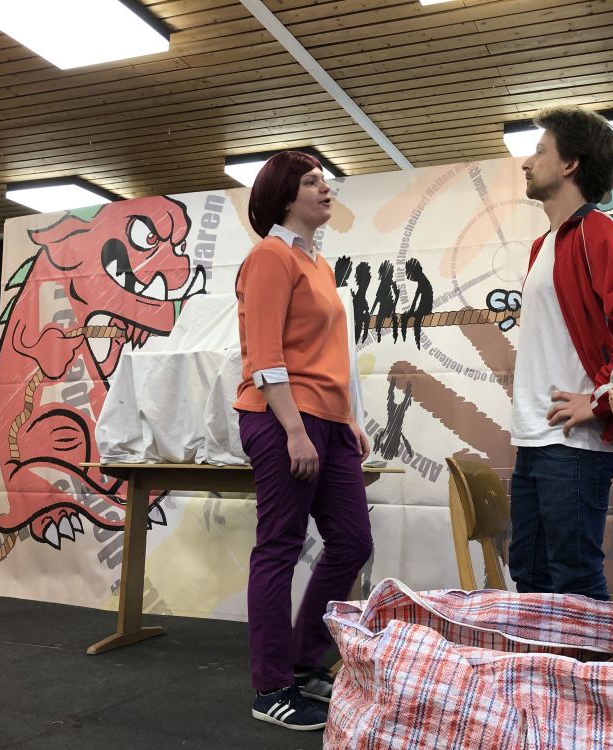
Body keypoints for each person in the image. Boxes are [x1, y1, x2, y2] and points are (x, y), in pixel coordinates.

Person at [509, 106, 613, 600]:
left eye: (540, 151)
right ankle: (542, 656)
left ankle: (589, 657)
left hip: (574, 444)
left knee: (574, 578)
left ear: (570, 164)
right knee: (530, 574)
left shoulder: (598, 231)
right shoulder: (543, 246)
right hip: (535, 437)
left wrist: (601, 399)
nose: (527, 163)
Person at [234, 150, 374, 731]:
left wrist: (349, 418)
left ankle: (303, 660)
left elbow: (331, 355)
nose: (325, 187)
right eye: (312, 181)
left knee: (352, 542)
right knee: (279, 547)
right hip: (283, 417)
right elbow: (264, 355)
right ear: (284, 195)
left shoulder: (317, 264)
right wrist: (294, 428)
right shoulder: (269, 256)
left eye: (325, 179)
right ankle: (271, 687)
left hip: (328, 420)